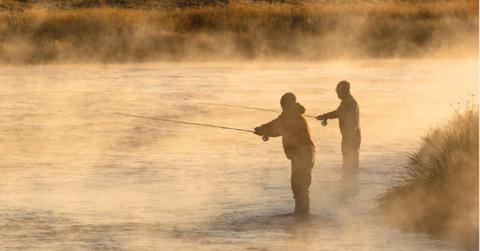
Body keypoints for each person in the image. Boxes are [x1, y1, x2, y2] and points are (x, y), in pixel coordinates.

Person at [254, 92, 315, 216]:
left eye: (283, 105)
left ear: (289, 104)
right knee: (299, 186)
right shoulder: (292, 115)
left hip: (302, 155)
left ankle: (302, 219)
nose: (282, 108)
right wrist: (263, 129)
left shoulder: (291, 117)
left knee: (300, 186)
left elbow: (277, 128)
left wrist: (263, 130)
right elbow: (277, 124)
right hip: (304, 154)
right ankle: (302, 217)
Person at [316, 81, 361, 180]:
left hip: (350, 137)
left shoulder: (349, 102)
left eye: (338, 91)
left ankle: (348, 184)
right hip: (352, 136)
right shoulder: (348, 101)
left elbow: (337, 113)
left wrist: (324, 116)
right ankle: (350, 184)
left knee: (349, 162)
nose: (337, 93)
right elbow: (339, 113)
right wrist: (325, 117)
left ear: (345, 90)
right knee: (351, 162)